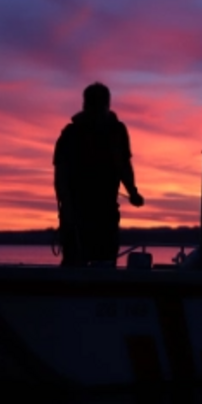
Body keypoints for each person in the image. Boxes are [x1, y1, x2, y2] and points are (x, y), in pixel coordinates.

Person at [53, 82, 144, 266]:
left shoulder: (116, 132)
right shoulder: (70, 134)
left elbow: (124, 165)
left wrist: (133, 192)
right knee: (76, 260)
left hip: (105, 210)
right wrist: (66, 206)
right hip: (77, 209)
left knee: (103, 259)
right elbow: (61, 175)